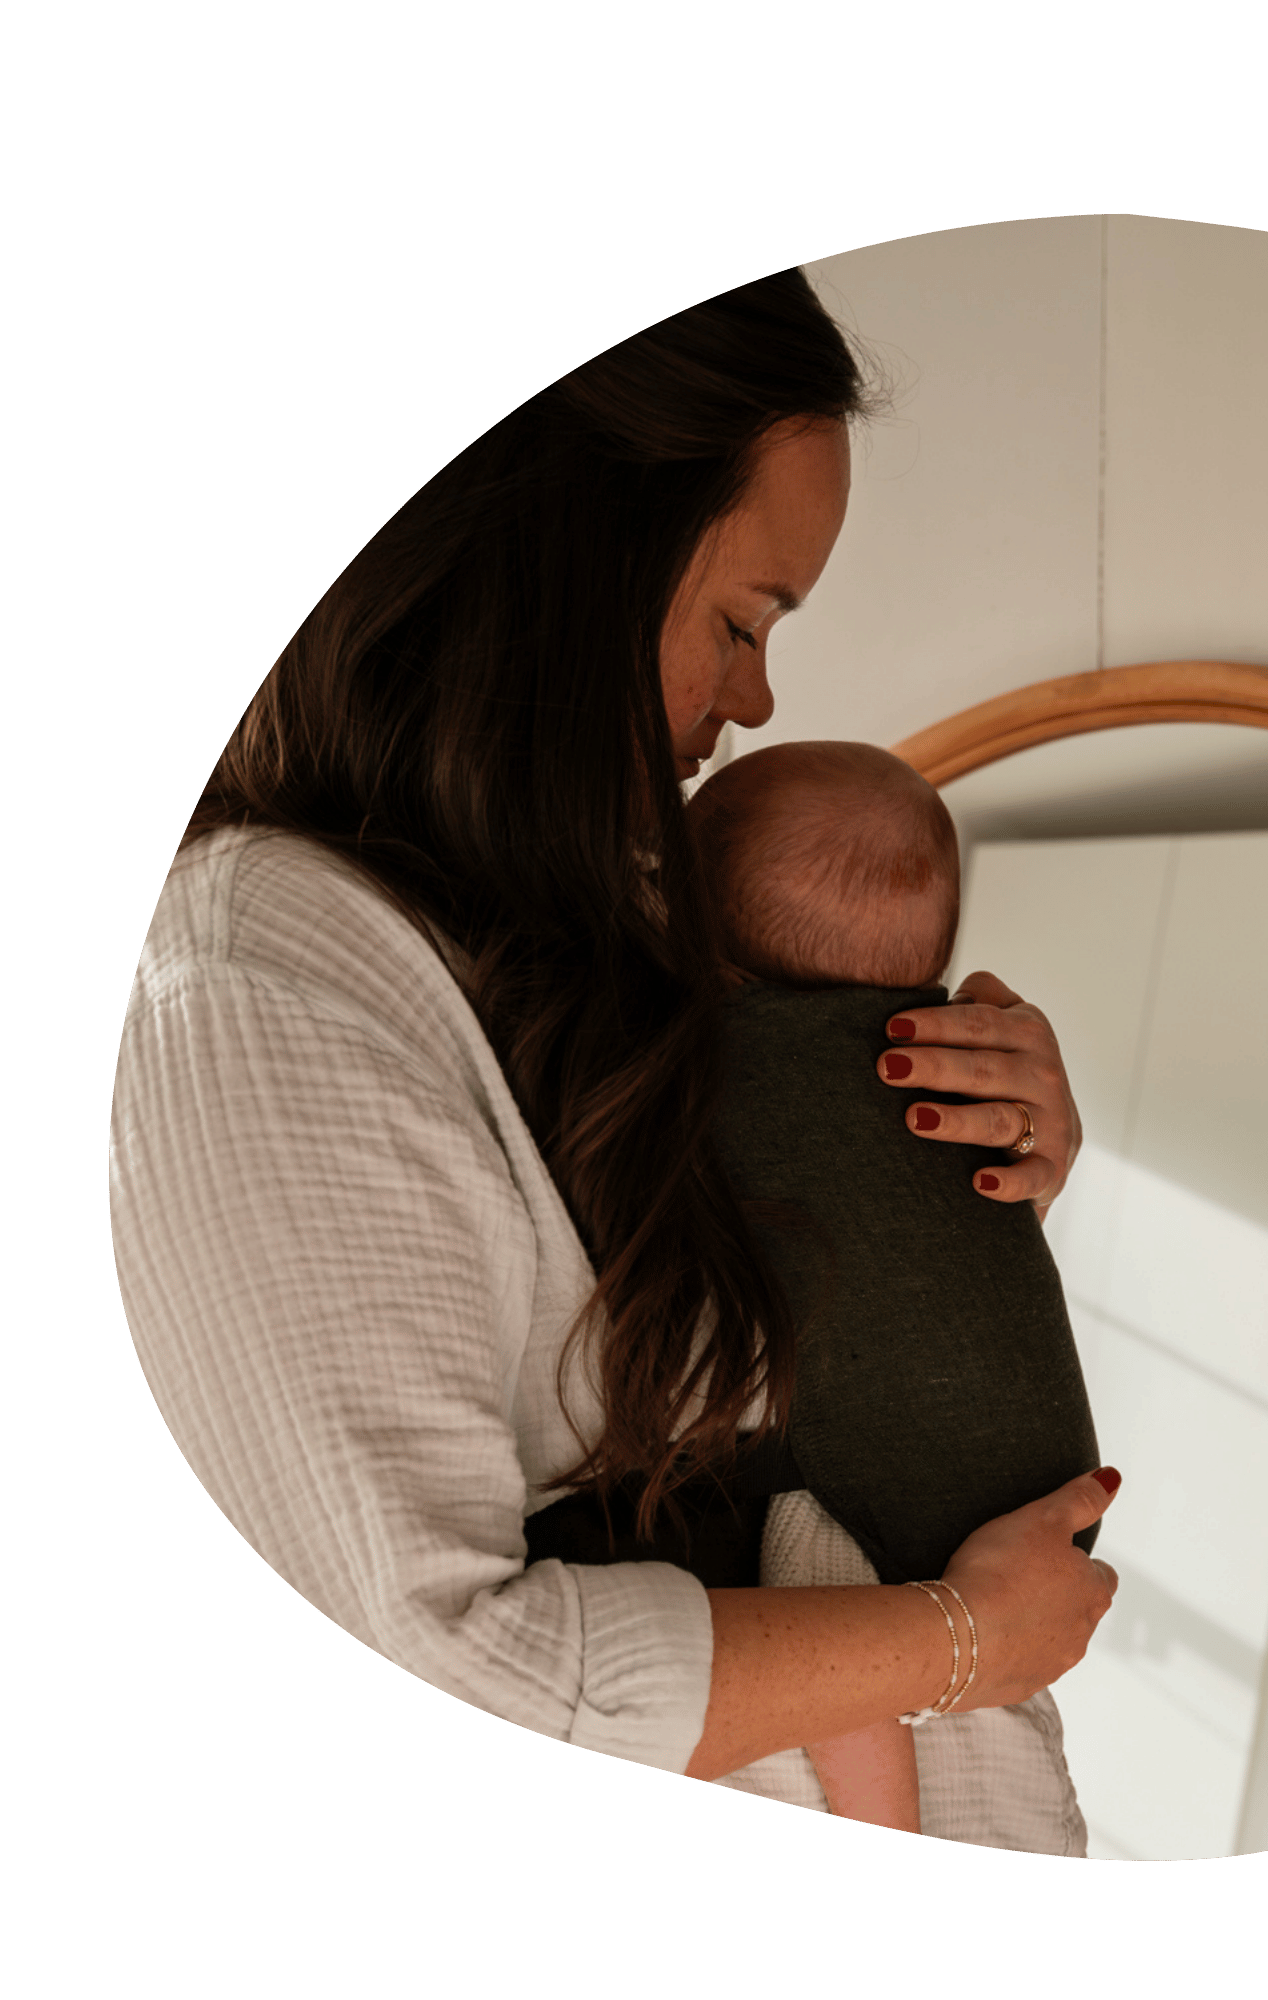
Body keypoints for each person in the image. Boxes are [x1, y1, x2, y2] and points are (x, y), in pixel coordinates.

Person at [109, 270, 1119, 1852]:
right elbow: (438, 1665)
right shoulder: (262, 981)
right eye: (742, 622)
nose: (758, 699)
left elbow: (734, 1381)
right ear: (566, 555)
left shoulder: (592, 941)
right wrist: (961, 1639)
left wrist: (943, 1183)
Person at [534, 736, 1102, 1842]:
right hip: (1011, 1508)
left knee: (835, 1609)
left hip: (848, 1536)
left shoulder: (700, 1068)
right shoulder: (938, 1078)